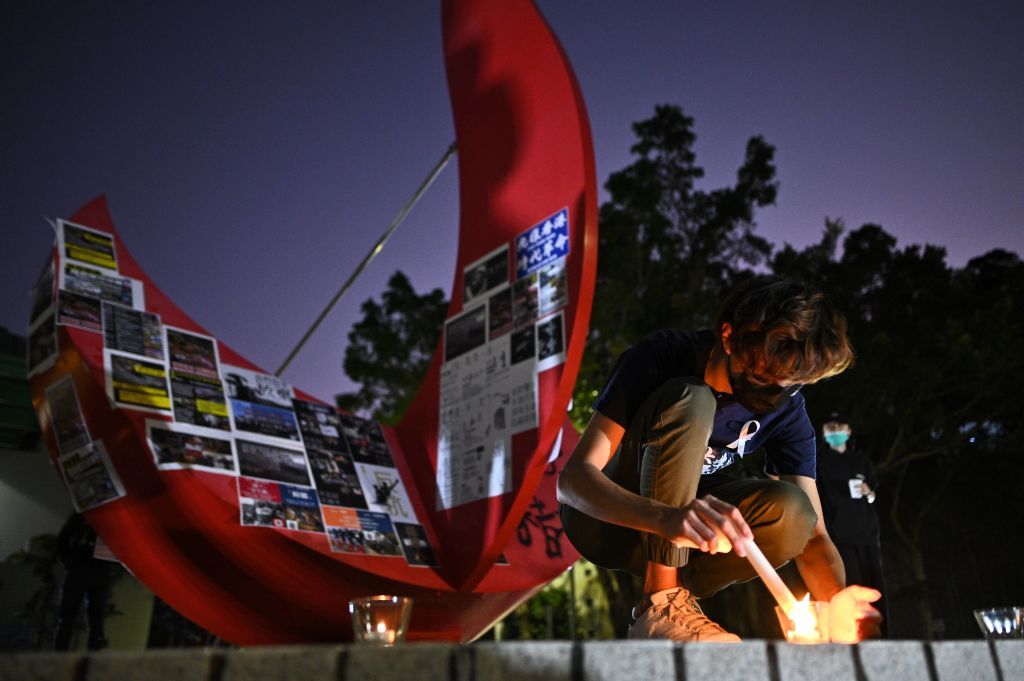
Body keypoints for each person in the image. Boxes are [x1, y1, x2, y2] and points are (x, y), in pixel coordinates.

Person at [557, 278, 881, 642]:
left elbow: (815, 535)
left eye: (788, 385)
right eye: (762, 375)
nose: (772, 395)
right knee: (692, 399)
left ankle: (677, 601)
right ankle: (660, 605)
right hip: (607, 523)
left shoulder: (789, 413)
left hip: (686, 543)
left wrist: (837, 602)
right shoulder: (664, 356)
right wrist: (665, 517)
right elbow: (573, 481)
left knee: (794, 511)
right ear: (729, 336)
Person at [816, 413, 889, 636]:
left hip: (867, 532)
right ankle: (853, 637)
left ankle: (883, 637)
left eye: (840, 426)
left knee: (876, 589)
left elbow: (873, 491)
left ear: (848, 431)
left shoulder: (860, 460)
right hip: (839, 535)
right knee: (849, 586)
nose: (836, 430)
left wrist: (869, 492)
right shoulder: (820, 460)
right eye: (830, 426)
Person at [54, 512, 113, 650]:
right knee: (93, 621)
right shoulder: (106, 516)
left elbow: (62, 541)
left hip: (85, 571)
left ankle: (61, 656)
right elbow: (62, 541)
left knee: (70, 620)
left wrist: (69, 562)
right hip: (93, 571)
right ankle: (90, 659)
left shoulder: (81, 515)